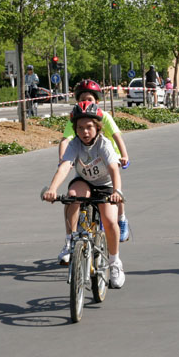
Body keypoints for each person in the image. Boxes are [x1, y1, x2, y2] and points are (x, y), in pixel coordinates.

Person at [43, 101, 126, 288]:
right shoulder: (74, 145)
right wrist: (52, 189)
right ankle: (72, 240)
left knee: (110, 221)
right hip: (84, 182)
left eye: (89, 127)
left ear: (97, 127)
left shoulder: (103, 144)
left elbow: (114, 169)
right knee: (72, 195)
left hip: (106, 185)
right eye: (80, 128)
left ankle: (114, 263)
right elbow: (65, 167)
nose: (85, 132)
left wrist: (117, 192)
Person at [57, 79, 131, 255]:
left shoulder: (104, 116)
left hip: (107, 158)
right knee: (73, 198)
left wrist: (124, 154)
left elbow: (116, 135)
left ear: (96, 101)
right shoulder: (76, 118)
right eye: (82, 99)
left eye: (89, 99)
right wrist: (62, 159)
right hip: (86, 162)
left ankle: (121, 218)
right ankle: (71, 240)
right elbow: (66, 140)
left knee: (115, 191)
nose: (86, 102)